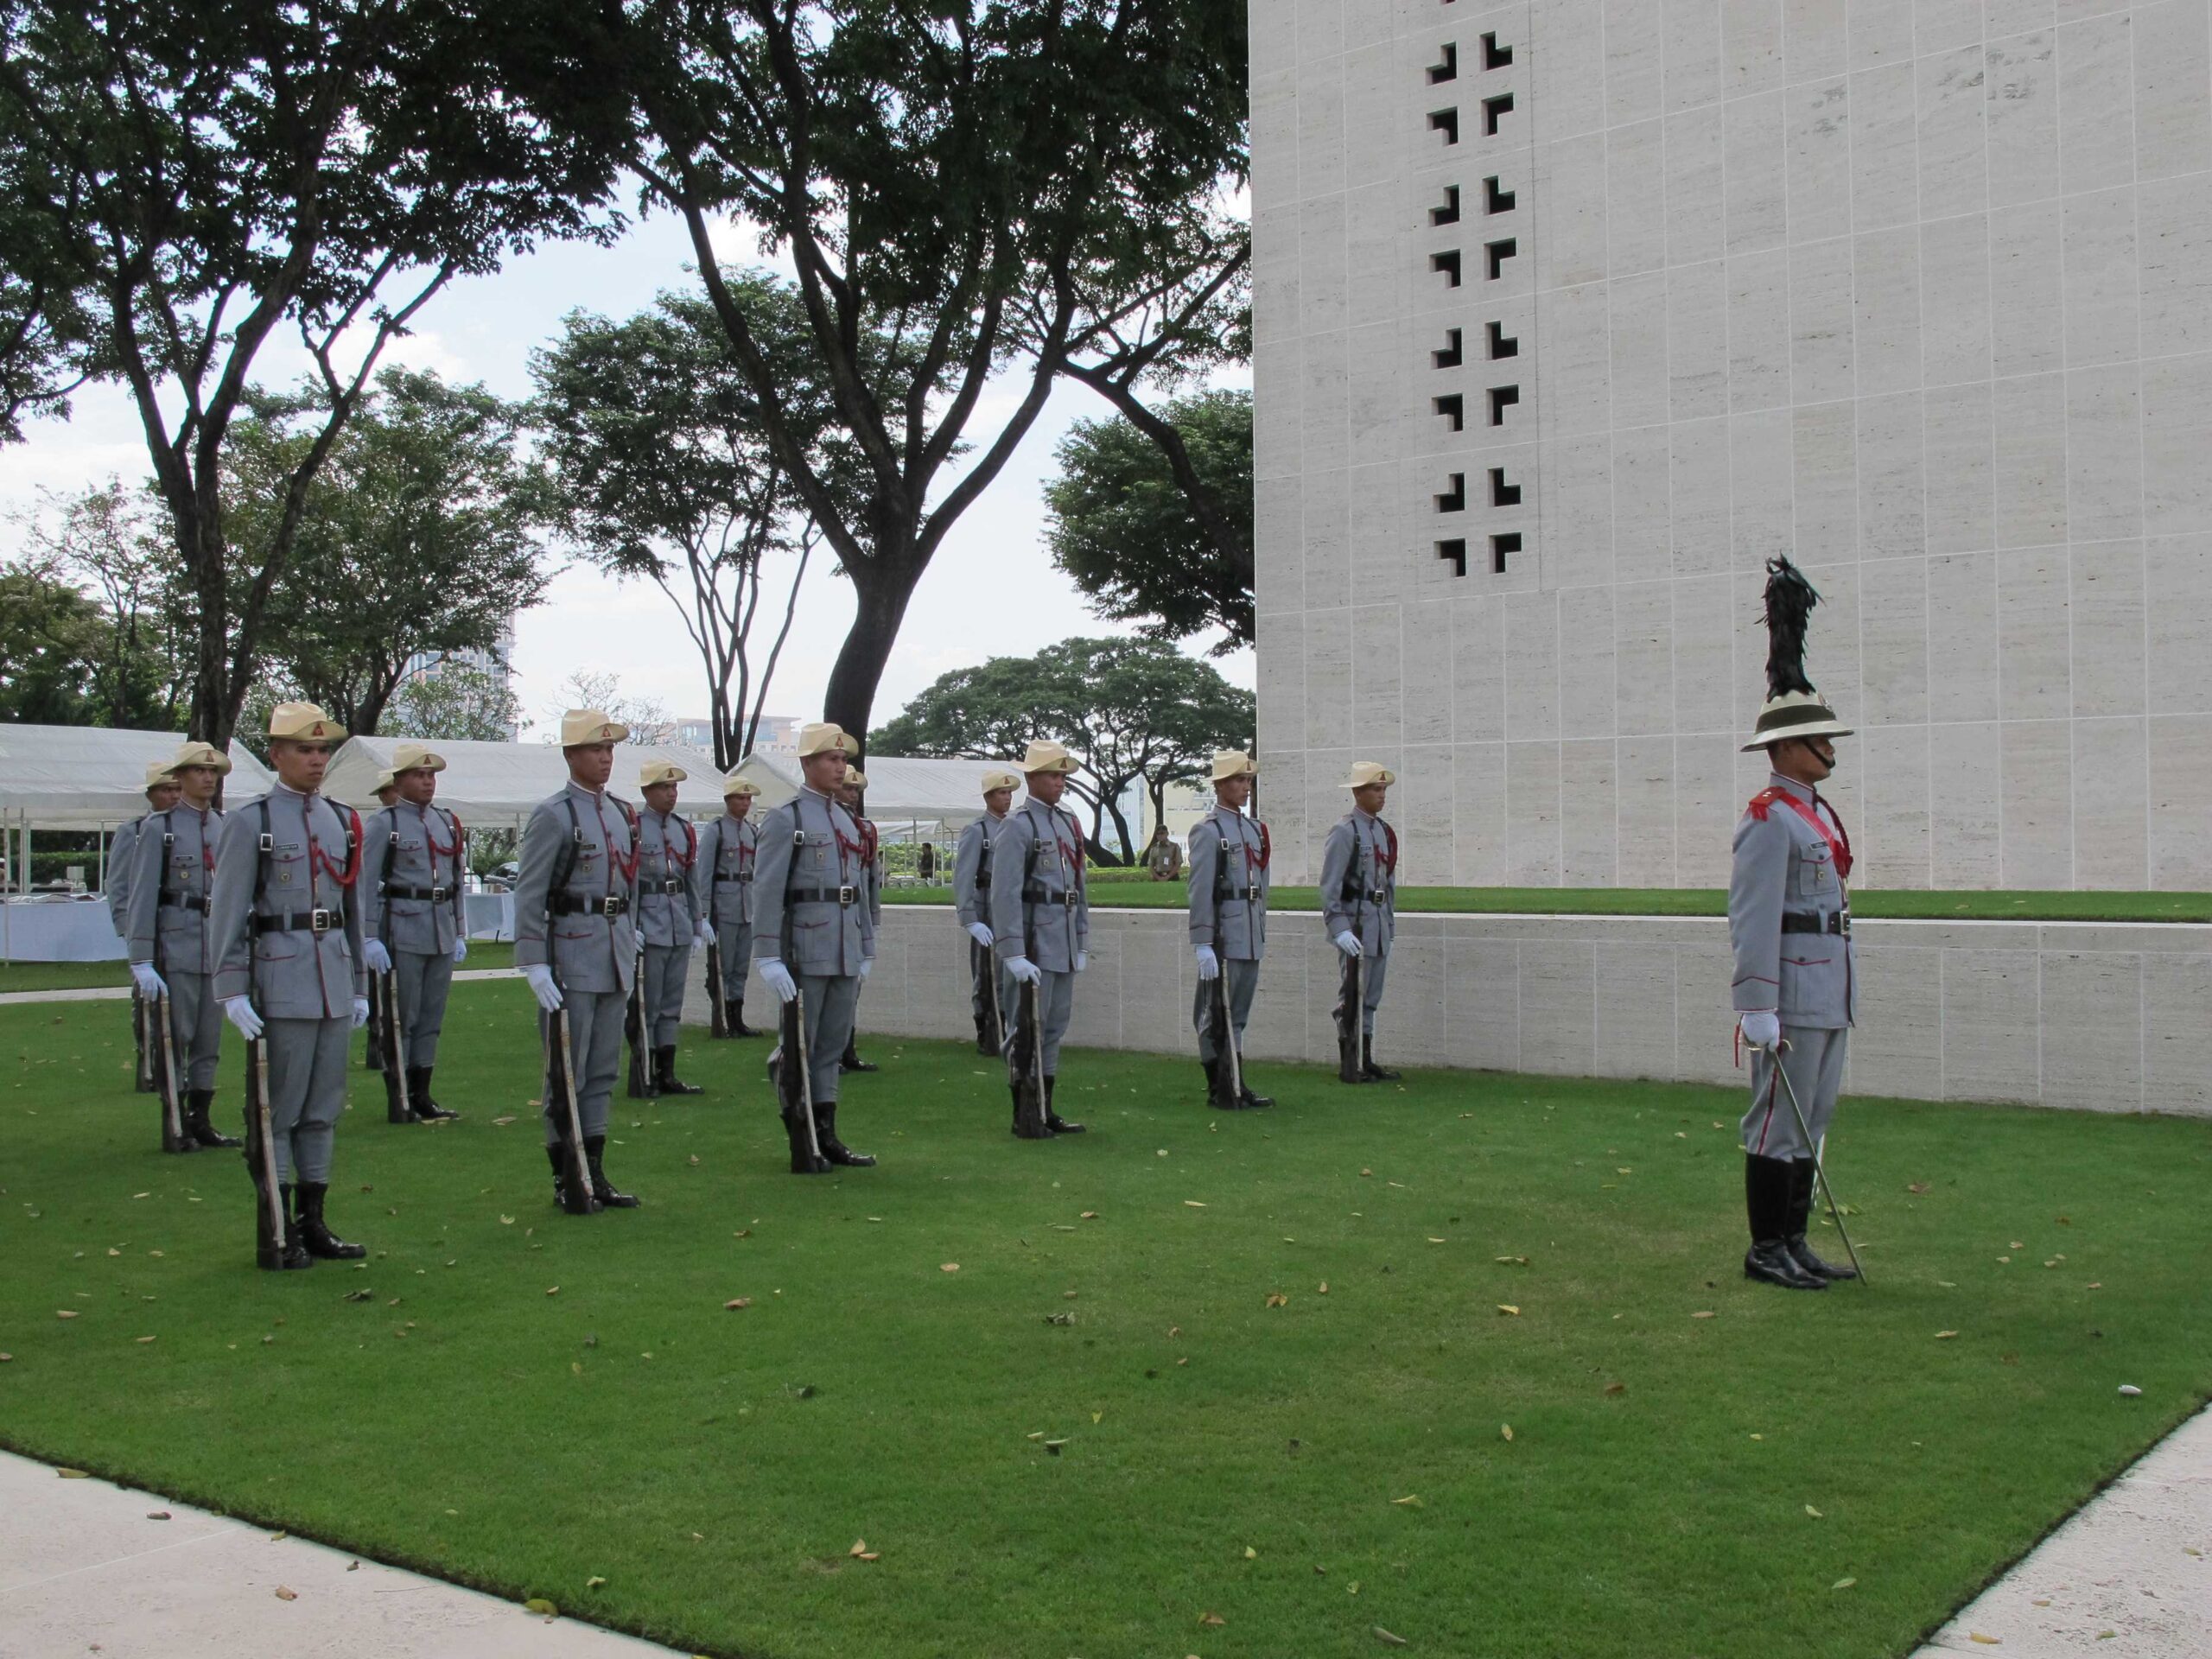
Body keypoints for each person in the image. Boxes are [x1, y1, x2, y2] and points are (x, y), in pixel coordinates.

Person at [1731, 557, 1859, 1294]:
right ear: (1784, 749)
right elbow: (1752, 917)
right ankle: (1766, 1248)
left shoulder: (1817, 814)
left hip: (1828, 989)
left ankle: (1797, 1240)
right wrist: (1757, 1004)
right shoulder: (1768, 820)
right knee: (1778, 1120)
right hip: (1790, 992)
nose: (1830, 751)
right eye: (1817, 741)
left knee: (1815, 1115)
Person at [208, 702, 371, 1270]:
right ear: (276, 755)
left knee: (323, 1108)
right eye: (305, 749)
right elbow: (227, 911)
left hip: (332, 979)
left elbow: (354, 911)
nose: (317, 759)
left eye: (323, 750)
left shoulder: (342, 820)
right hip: (280, 980)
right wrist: (230, 989)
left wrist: (359, 984)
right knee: (278, 1110)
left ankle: (313, 1222)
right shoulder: (251, 822)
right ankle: (276, 1229)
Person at [513, 709, 644, 1212]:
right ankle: (567, 1174)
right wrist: (534, 961)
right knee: (567, 1070)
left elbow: (627, 883)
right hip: (571, 951)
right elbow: (530, 890)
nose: (606, 758)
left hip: (613, 952)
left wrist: (632, 930)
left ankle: (595, 1170)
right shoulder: (555, 814)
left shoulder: (621, 813)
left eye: (610, 749)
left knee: (603, 1069)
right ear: (571, 755)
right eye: (596, 749)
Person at [750, 722, 876, 1173]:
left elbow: (859, 890)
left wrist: (866, 946)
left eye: (843, 760)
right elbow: (767, 890)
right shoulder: (788, 818)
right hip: (805, 948)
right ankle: (800, 1132)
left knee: (831, 1047)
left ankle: (827, 1134)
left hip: (843, 947)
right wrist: (767, 954)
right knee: (798, 1046)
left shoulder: (846, 819)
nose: (840, 767)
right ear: (807, 763)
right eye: (831, 759)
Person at [126, 742, 237, 1151]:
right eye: (198, 771)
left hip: (216, 946)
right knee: (176, 1038)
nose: (208, 778)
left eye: (213, 772)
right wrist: (141, 957)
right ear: (180, 777)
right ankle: (174, 1124)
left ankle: (200, 1120)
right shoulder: (161, 828)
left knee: (209, 1041)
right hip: (178, 945)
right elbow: (142, 895)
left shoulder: (225, 826)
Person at [359, 743, 467, 1124]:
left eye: (431, 775)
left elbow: (456, 881)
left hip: (440, 928)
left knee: (431, 1017)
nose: (427, 782)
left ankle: (422, 1093)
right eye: (419, 775)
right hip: (402, 928)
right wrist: (368, 936)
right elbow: (365, 883)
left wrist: (460, 930)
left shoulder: (446, 822)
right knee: (402, 1017)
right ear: (399, 780)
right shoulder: (384, 823)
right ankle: (400, 1095)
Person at [988, 739, 1088, 1137]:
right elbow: (1004, 893)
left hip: (1062, 941)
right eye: (1051, 775)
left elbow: (1078, 887)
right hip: (1032, 943)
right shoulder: (1018, 825)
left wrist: (1081, 938)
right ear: (1031, 778)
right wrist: (1012, 951)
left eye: (1063, 775)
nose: (1060, 782)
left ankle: (1045, 1108)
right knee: (1025, 1029)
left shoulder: (1066, 822)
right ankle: (1024, 1112)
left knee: (1053, 1028)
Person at [1187, 749, 1273, 1110]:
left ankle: (1235, 1082)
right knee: (1212, 1013)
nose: (1246, 787)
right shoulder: (1208, 831)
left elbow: (1261, 887)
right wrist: (1202, 942)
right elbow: (1200, 890)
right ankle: (1217, 1085)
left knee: (1238, 1015)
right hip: (1224, 935)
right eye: (1239, 780)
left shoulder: (1253, 830)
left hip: (1249, 933)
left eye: (1248, 780)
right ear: (1221, 785)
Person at [1319, 761, 1401, 1083]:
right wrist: (1338, 928)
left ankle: (1366, 1059)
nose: (1382, 795)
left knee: (1371, 994)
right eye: (1375, 789)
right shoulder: (1345, 831)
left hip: (1377, 922)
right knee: (1353, 993)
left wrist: (1389, 925)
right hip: (1355, 924)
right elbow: (1330, 886)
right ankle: (1350, 1062)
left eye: (1383, 789)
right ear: (1358, 792)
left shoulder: (1382, 831)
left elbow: (1387, 883)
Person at [114, 760, 183, 1096]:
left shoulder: (187, 829)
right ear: (151, 795)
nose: (173, 796)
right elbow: (120, 885)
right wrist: (129, 931)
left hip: (179, 930)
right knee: (145, 1000)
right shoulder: (136, 831)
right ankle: (149, 1062)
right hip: (147, 929)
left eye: (177, 789)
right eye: (166, 790)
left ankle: (174, 1064)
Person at [636, 759, 705, 1096]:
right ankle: (644, 1073)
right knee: (648, 1004)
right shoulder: (634, 828)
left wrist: (697, 923)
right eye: (664, 787)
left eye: (674, 787)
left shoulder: (683, 829)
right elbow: (627, 881)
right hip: (649, 926)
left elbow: (690, 879)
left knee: (672, 1004)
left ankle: (667, 1073)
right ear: (647, 791)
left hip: (678, 923)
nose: (671, 793)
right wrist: (630, 924)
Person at [954, 767, 1020, 1055]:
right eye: (1002, 793)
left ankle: (1008, 1031)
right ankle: (987, 1033)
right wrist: (969, 919)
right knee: (986, 974)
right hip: (987, 909)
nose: (1007, 798)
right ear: (988, 797)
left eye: (1009, 793)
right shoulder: (977, 830)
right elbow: (963, 876)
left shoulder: (1015, 826)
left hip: (1011, 908)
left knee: (1009, 973)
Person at [695, 774, 762, 1038]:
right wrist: (703, 912)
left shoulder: (751, 831)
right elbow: (704, 872)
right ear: (728, 800)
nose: (745, 803)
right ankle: (722, 1017)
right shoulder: (717, 830)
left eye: (748, 798)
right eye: (740, 798)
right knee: (723, 966)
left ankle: (737, 1018)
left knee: (741, 967)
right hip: (724, 906)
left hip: (747, 905)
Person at [834, 766, 881, 1074]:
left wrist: (873, 917)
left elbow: (872, 877)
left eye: (856, 790)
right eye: (848, 789)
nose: (853, 795)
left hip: (857, 914)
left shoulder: (864, 828)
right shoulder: (827, 824)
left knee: (853, 990)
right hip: (831, 916)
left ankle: (847, 1049)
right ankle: (830, 1053)